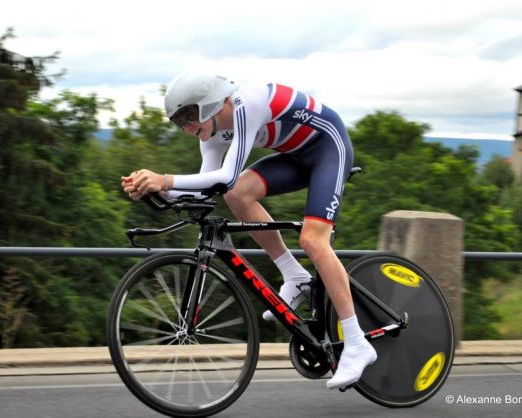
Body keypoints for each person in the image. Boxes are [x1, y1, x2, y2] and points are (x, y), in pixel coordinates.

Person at [120, 72, 377, 390]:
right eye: (179, 122)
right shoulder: (211, 132)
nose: (186, 128)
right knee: (237, 194)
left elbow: (225, 176)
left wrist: (166, 180)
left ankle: (356, 342)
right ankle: (295, 276)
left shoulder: (248, 103)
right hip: (295, 156)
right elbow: (208, 189)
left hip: (328, 147)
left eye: (189, 116)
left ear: (211, 104)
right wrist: (154, 190)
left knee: (312, 238)